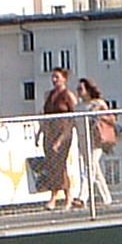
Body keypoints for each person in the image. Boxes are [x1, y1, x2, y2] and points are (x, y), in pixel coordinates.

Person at [40, 68, 80, 210]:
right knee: (52, 164)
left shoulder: (68, 95)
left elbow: (74, 117)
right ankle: (57, 196)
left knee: (60, 164)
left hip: (63, 132)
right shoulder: (49, 95)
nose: (54, 80)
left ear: (64, 79)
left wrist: (63, 137)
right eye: (53, 77)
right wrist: (40, 132)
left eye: (57, 77)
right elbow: (44, 115)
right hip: (50, 132)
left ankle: (62, 197)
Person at [78, 77, 120, 208]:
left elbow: (111, 119)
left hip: (96, 139)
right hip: (83, 139)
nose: (79, 92)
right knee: (95, 170)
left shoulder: (97, 103)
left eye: (81, 89)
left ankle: (82, 197)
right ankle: (107, 198)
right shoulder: (78, 107)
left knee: (89, 167)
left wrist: (100, 113)